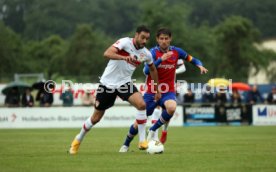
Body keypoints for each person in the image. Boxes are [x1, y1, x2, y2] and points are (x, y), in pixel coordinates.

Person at [69, 25, 160, 155]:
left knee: (141, 105)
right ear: (136, 35)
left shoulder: (146, 54)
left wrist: (157, 89)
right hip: (107, 84)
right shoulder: (124, 42)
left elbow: (153, 69)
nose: (144, 41)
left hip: (124, 83)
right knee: (95, 118)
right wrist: (124, 57)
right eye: (142, 37)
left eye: (147, 39)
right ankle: (77, 140)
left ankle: (142, 141)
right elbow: (107, 53)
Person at [119, 28, 208, 152]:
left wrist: (200, 65)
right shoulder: (152, 53)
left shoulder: (177, 51)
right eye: (161, 39)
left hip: (168, 91)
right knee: (138, 123)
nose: (164, 41)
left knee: (171, 107)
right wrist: (161, 59)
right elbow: (146, 71)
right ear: (157, 40)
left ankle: (153, 129)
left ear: (170, 39)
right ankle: (126, 144)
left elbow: (192, 59)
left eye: (166, 38)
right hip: (152, 91)